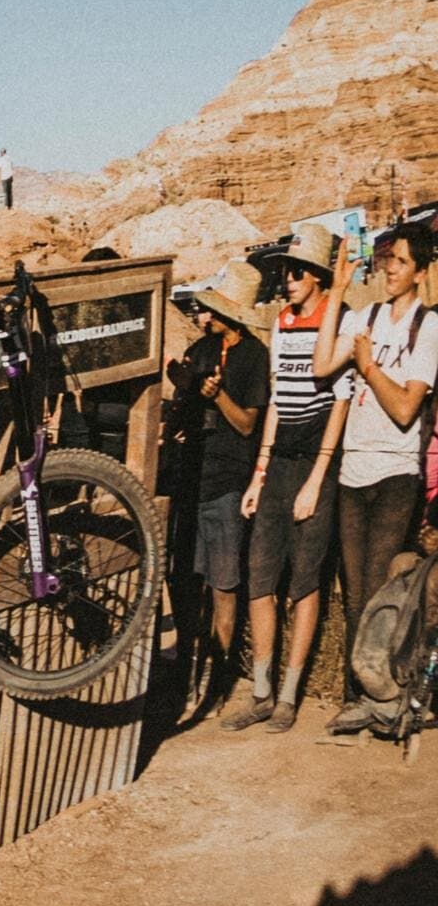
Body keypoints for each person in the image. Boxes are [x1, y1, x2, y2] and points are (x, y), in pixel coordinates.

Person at [315, 217, 435, 733]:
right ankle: (359, 696)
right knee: (355, 591)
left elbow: (407, 407)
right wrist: (339, 291)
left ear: (421, 272)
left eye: (401, 263)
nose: (390, 271)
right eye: (387, 261)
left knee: (381, 590)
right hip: (354, 466)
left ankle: (385, 699)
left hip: (394, 470)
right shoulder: (364, 316)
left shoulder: (429, 328)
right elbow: (322, 366)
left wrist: (367, 367)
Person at [229, 221, 347, 732]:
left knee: (304, 580)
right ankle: (260, 689)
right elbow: (278, 399)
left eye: (298, 271)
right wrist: (260, 473)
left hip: (315, 455)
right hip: (279, 459)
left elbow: (338, 403)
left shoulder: (336, 322)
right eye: (286, 271)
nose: (289, 279)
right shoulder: (281, 322)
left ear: (319, 276)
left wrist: (316, 479)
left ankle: (290, 695)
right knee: (260, 574)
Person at [164, 260, 272, 720]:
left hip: (228, 480)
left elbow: (248, 423)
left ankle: (220, 679)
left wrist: (217, 397)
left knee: (224, 585)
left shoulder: (253, 358)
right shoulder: (202, 349)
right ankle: (188, 674)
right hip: (193, 479)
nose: (207, 317)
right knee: (187, 584)